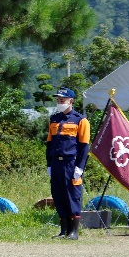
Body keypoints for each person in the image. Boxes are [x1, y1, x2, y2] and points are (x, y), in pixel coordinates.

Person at [46, 87, 90, 240]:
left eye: (62, 100)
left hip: (70, 163)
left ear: (71, 101)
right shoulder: (54, 119)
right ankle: (63, 229)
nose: (59, 103)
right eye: (58, 100)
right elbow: (49, 144)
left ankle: (74, 231)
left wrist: (80, 167)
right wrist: (49, 164)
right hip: (56, 163)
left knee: (72, 195)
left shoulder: (80, 120)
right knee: (58, 195)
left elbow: (84, 147)